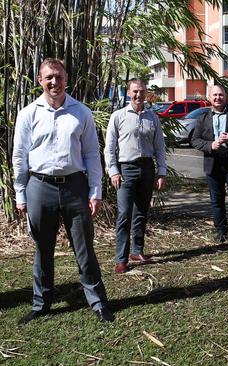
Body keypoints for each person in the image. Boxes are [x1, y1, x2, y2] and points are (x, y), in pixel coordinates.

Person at [12, 58, 113, 324]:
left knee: (84, 248)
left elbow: (92, 153)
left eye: (58, 76)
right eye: (49, 77)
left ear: (66, 79)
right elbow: (20, 156)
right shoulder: (28, 113)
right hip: (39, 187)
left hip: (74, 187)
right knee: (42, 248)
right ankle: (41, 303)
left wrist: (95, 191)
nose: (54, 82)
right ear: (39, 80)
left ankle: (98, 302)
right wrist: (20, 193)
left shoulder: (81, 112)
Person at [105, 78, 167, 274]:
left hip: (147, 167)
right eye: (135, 91)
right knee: (124, 214)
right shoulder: (118, 116)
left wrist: (161, 171)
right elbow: (109, 148)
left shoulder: (152, 118)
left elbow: (159, 147)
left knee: (141, 211)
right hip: (126, 170)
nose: (139, 95)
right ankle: (121, 259)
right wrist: (113, 170)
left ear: (146, 92)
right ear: (128, 92)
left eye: (142, 91)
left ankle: (137, 251)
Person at [191, 84, 228, 245]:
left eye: (221, 95)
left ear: (226, 96)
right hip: (213, 163)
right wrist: (210, 146)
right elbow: (195, 140)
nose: (218, 98)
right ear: (209, 98)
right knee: (217, 200)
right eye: (215, 95)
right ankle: (221, 231)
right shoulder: (202, 118)